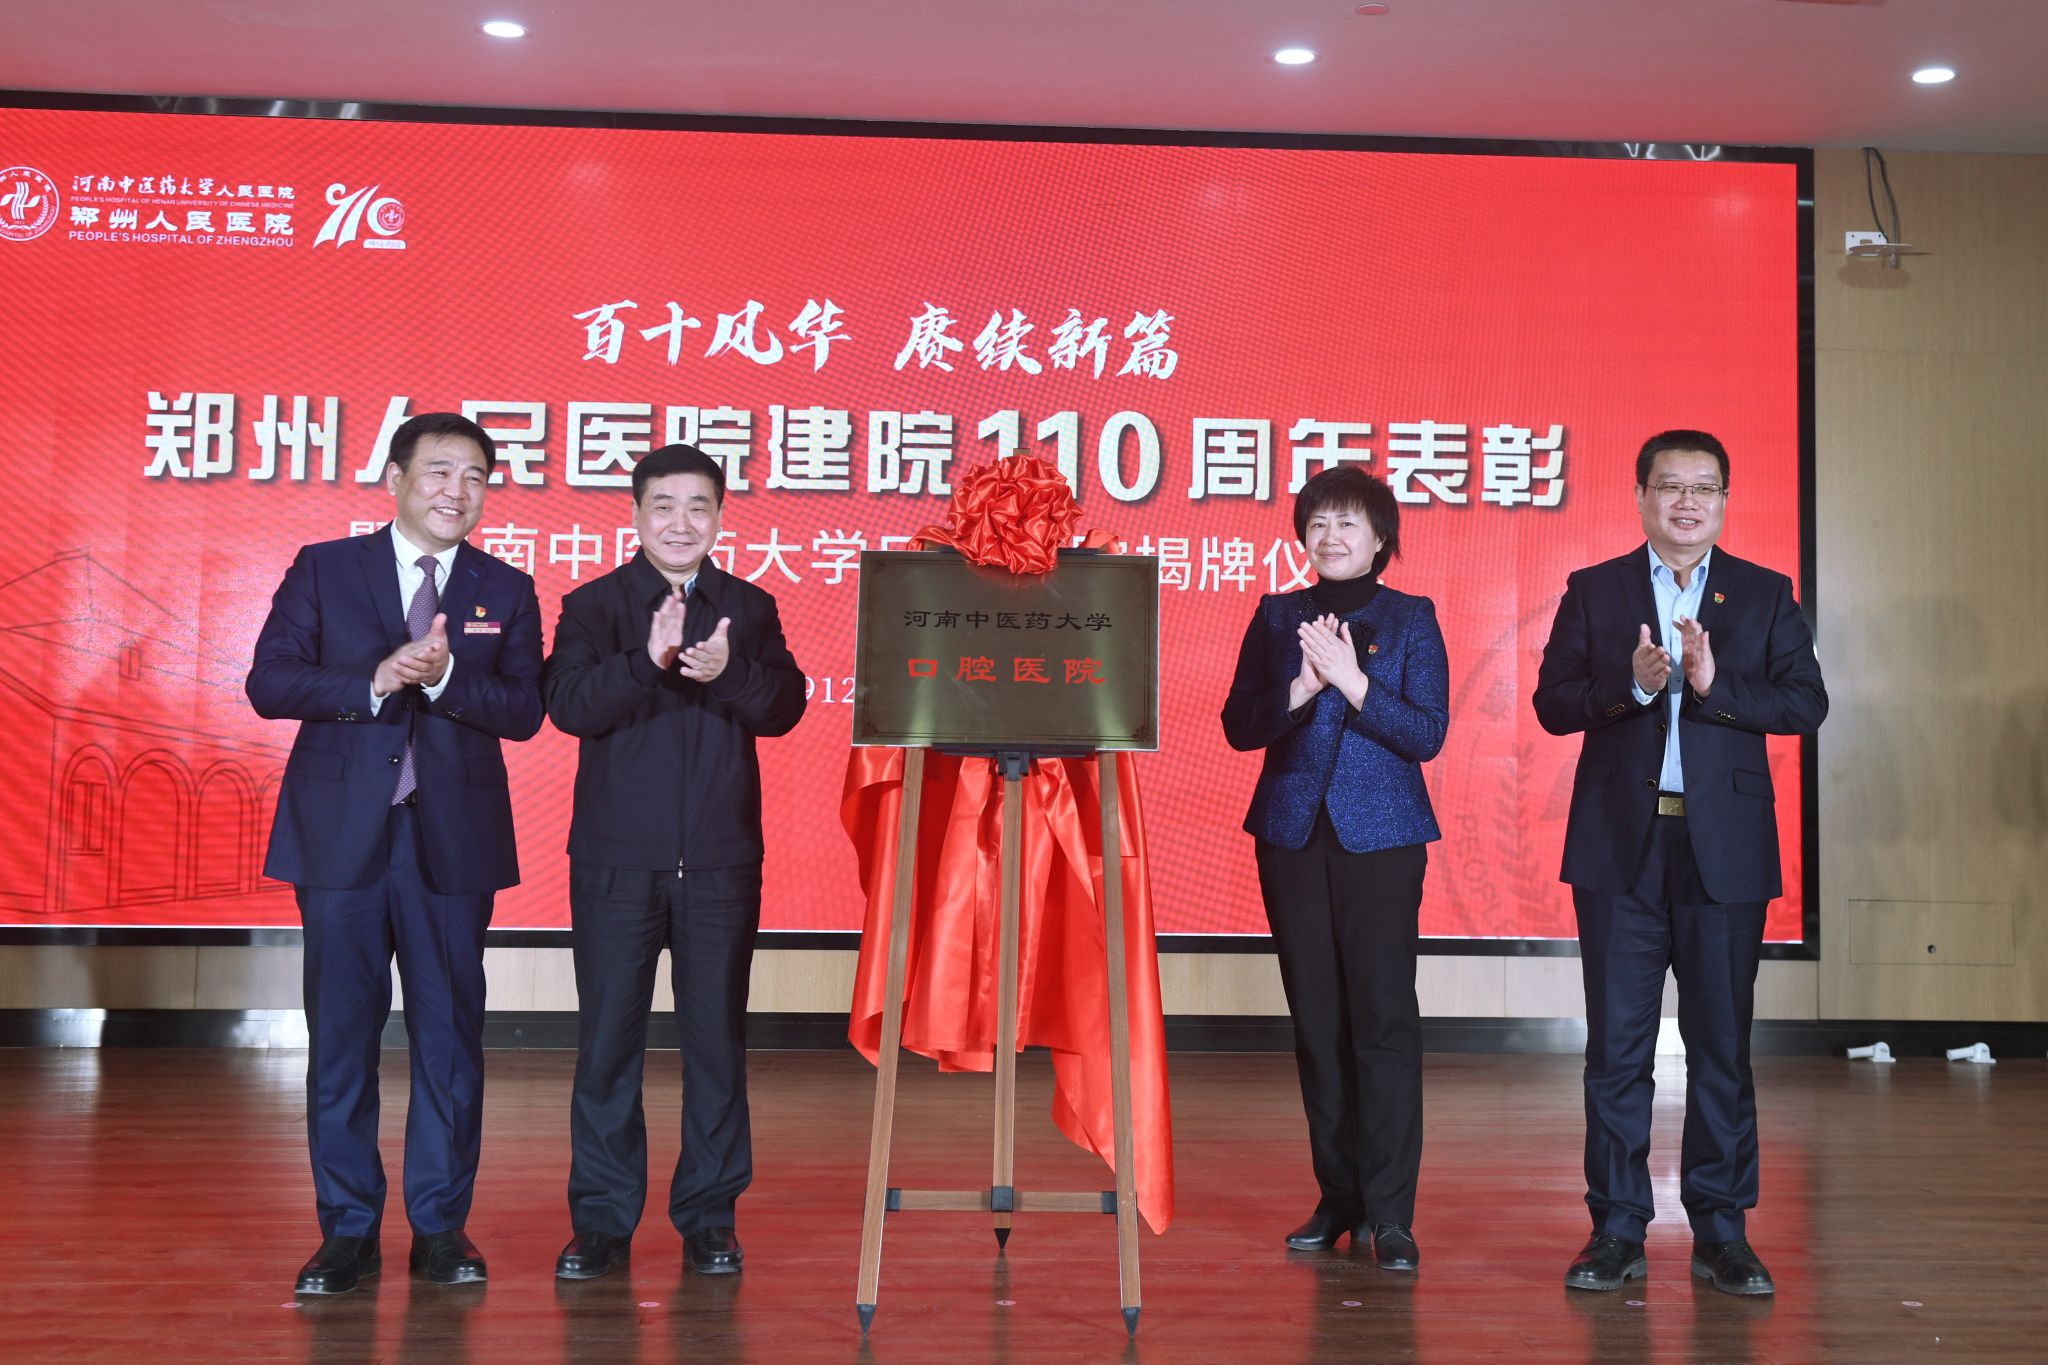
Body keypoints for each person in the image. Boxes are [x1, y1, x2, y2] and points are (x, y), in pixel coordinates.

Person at [246, 411, 545, 1295]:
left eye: (476, 477)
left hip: (451, 842)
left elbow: (525, 710)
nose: (459, 491)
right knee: (341, 1036)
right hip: (341, 837)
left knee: (449, 1038)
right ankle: (346, 1230)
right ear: (397, 479)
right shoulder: (326, 567)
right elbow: (269, 681)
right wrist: (376, 679)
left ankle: (441, 1226)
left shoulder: (506, 587)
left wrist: (447, 677)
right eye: (441, 472)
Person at [1534, 429, 1827, 1297]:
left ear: (1725, 501)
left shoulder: (1765, 594)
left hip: (1722, 851)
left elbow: (1806, 703)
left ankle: (1722, 1230)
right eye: (1671, 486)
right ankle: (1617, 1228)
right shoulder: (1595, 590)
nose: (1688, 501)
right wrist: (1631, 686)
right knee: (1616, 1052)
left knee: (1721, 1049)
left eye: (1705, 487)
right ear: (1641, 497)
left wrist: (1710, 686)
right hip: (1620, 849)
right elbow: (1552, 702)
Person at [542, 443, 806, 1280]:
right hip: (616, 863)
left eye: (698, 506)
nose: (680, 522)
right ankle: (602, 1221)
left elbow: (785, 707)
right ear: (635, 514)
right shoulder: (592, 606)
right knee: (606, 1046)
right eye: (663, 505)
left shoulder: (750, 607)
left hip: (721, 863)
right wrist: (644, 663)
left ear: (720, 516)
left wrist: (731, 673)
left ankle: (710, 1216)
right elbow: (568, 706)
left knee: (716, 1045)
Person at [1221, 465, 1449, 1270]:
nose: (1331, 536)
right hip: (1291, 835)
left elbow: (1427, 734)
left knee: (1382, 1021)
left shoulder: (1412, 617)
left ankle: (1390, 1212)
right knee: (1317, 1023)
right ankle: (1338, 1195)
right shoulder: (1278, 615)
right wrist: (1298, 687)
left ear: (1381, 537)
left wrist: (1352, 684)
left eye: (1348, 522)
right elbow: (1239, 725)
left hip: (1382, 838)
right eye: (1318, 523)